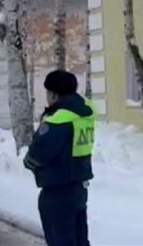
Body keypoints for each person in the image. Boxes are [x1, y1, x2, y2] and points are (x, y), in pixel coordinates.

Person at [23, 70, 94, 246]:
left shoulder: (59, 120)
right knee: (79, 240)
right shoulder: (83, 114)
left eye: (47, 92)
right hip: (78, 187)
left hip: (57, 190)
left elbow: (37, 153)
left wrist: (28, 162)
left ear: (54, 94)